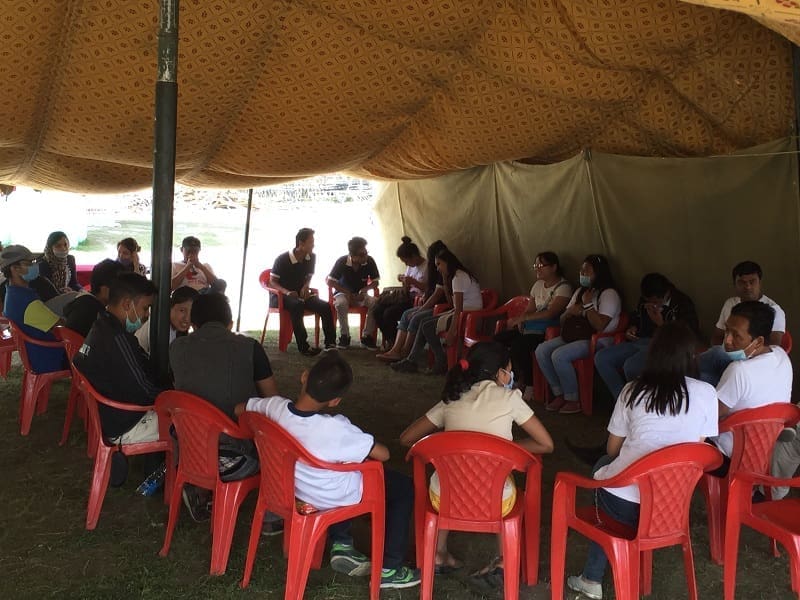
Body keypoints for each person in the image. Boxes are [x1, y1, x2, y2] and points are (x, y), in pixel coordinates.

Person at [236, 352, 420, 590]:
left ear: (304, 377)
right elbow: (383, 454)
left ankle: (342, 543)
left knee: (339, 470)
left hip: (289, 487)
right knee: (401, 486)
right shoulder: (337, 428)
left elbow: (241, 409)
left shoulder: (273, 406)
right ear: (335, 401)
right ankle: (390, 569)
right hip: (329, 494)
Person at [565, 321, 719, 600]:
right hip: (671, 504)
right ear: (692, 356)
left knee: (602, 466)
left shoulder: (632, 391)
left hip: (624, 505)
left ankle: (591, 577)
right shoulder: (707, 394)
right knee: (607, 470)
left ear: (653, 353)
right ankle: (595, 573)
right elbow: (697, 450)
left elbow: (613, 449)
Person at [399, 342, 554, 593]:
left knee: (450, 477)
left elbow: (407, 438)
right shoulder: (510, 398)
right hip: (496, 503)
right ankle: (504, 562)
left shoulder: (452, 397)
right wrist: (507, 446)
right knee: (507, 487)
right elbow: (546, 444)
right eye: (509, 370)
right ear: (501, 373)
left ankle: (438, 554)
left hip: (444, 498)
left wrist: (443, 446)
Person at [170, 293, 279, 523]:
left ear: (194, 324)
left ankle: (199, 489)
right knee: (279, 425)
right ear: (230, 324)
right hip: (237, 458)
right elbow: (273, 401)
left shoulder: (176, 349)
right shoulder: (249, 348)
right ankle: (274, 514)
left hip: (187, 454)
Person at [73, 273, 162, 484]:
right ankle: (169, 480)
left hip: (109, 414)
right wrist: (174, 396)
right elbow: (145, 390)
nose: (147, 314)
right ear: (127, 304)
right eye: (145, 308)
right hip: (123, 423)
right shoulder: (116, 338)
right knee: (188, 421)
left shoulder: (101, 325)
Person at [709, 301, 794, 486]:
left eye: (736, 336)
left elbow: (710, 417)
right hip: (765, 452)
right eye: (727, 331)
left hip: (729, 458)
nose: (727, 340)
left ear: (759, 341)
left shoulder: (739, 371)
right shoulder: (782, 356)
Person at [535, 254, 622, 414]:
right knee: (541, 350)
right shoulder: (581, 291)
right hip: (575, 334)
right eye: (581, 271)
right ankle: (559, 392)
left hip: (598, 340)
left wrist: (587, 306)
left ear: (599, 272)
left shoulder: (609, 294)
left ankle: (572, 399)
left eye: (587, 271)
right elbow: (562, 320)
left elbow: (600, 325)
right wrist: (570, 312)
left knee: (559, 355)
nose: (582, 274)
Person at [594, 273, 699, 401]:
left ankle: (641, 404)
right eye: (648, 300)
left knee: (631, 366)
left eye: (654, 301)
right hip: (639, 341)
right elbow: (635, 317)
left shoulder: (682, 303)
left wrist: (661, 324)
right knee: (602, 358)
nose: (650, 303)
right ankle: (623, 401)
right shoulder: (645, 299)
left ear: (665, 293)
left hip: (662, 347)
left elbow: (686, 336)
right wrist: (632, 328)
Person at [494, 251, 572, 401]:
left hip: (548, 332)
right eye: (536, 265)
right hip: (531, 329)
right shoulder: (537, 285)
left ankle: (530, 384)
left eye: (541, 265)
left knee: (519, 345)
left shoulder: (564, 287)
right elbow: (529, 309)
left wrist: (523, 318)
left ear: (554, 267)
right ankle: (511, 378)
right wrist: (521, 320)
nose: (537, 268)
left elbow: (551, 313)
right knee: (498, 340)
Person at [392, 249, 482, 375]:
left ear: (447, 262)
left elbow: (459, 308)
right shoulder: (455, 277)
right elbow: (452, 304)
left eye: (439, 264)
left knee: (426, 325)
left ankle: (438, 360)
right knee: (424, 324)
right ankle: (415, 360)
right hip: (462, 313)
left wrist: (452, 330)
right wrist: (445, 280)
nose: (438, 268)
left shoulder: (458, 277)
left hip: (467, 316)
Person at [698, 261, 786, 386]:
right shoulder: (730, 303)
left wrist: (739, 360)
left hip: (748, 364)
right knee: (710, 360)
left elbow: (774, 347)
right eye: (742, 282)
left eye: (752, 282)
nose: (748, 287)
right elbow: (717, 335)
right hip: (725, 359)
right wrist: (726, 352)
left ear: (760, 283)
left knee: (700, 379)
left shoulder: (773, 311)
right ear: (735, 285)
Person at [376, 240, 447, 362]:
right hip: (421, 301)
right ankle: (396, 349)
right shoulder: (441, 273)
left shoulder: (443, 273)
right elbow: (433, 293)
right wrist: (405, 282)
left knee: (411, 317)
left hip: (432, 305)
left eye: (438, 263)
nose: (436, 265)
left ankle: (405, 353)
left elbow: (436, 295)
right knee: (381, 311)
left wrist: (421, 307)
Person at [269, 227, 336, 356]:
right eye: (311, 242)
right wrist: (287, 292)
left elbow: (309, 276)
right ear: (301, 243)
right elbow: (272, 281)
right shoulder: (282, 259)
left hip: (301, 295)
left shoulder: (311, 257)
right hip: (281, 296)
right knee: (297, 305)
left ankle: (330, 343)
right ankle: (303, 346)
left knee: (325, 306)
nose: (313, 245)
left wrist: (306, 285)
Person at [1, 244, 66, 373]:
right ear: (15, 268)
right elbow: (63, 327)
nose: (34, 266)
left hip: (37, 355)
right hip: (51, 357)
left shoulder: (12, 293)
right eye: (29, 263)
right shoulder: (27, 303)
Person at [367, 236, 427, 350]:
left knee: (389, 313)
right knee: (377, 309)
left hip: (416, 300)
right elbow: (406, 288)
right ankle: (391, 340)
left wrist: (414, 282)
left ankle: (396, 345)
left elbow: (429, 289)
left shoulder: (427, 267)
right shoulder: (411, 267)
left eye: (406, 261)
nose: (406, 264)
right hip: (406, 297)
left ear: (414, 256)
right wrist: (404, 281)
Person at [326, 236, 380, 348]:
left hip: (361, 294)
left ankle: (366, 336)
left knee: (375, 303)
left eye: (366, 252)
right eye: (362, 254)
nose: (365, 256)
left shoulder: (369, 261)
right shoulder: (342, 261)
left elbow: (375, 282)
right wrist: (348, 293)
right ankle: (345, 336)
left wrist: (363, 290)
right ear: (352, 255)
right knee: (341, 304)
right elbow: (330, 282)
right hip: (342, 293)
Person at [63, 258, 125, 337]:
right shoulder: (96, 314)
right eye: (120, 289)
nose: (123, 294)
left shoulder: (83, 301)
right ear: (105, 290)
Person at [135, 286, 199, 355]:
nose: (187, 318)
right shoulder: (161, 328)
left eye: (192, 312)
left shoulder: (175, 330)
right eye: (182, 310)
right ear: (170, 307)